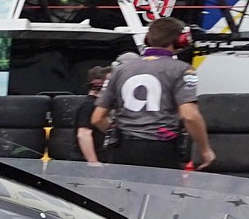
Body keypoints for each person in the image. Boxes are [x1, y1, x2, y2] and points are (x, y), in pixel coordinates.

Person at [90, 17, 213, 171]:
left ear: (148, 39)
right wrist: (205, 149)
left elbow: (97, 118)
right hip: (160, 148)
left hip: (122, 149)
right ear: (181, 40)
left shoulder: (120, 70)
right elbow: (190, 116)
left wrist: (119, 134)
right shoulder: (182, 69)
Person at [77, 63, 114, 163]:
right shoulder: (89, 105)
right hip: (86, 166)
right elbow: (83, 134)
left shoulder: (102, 106)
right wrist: (94, 163)